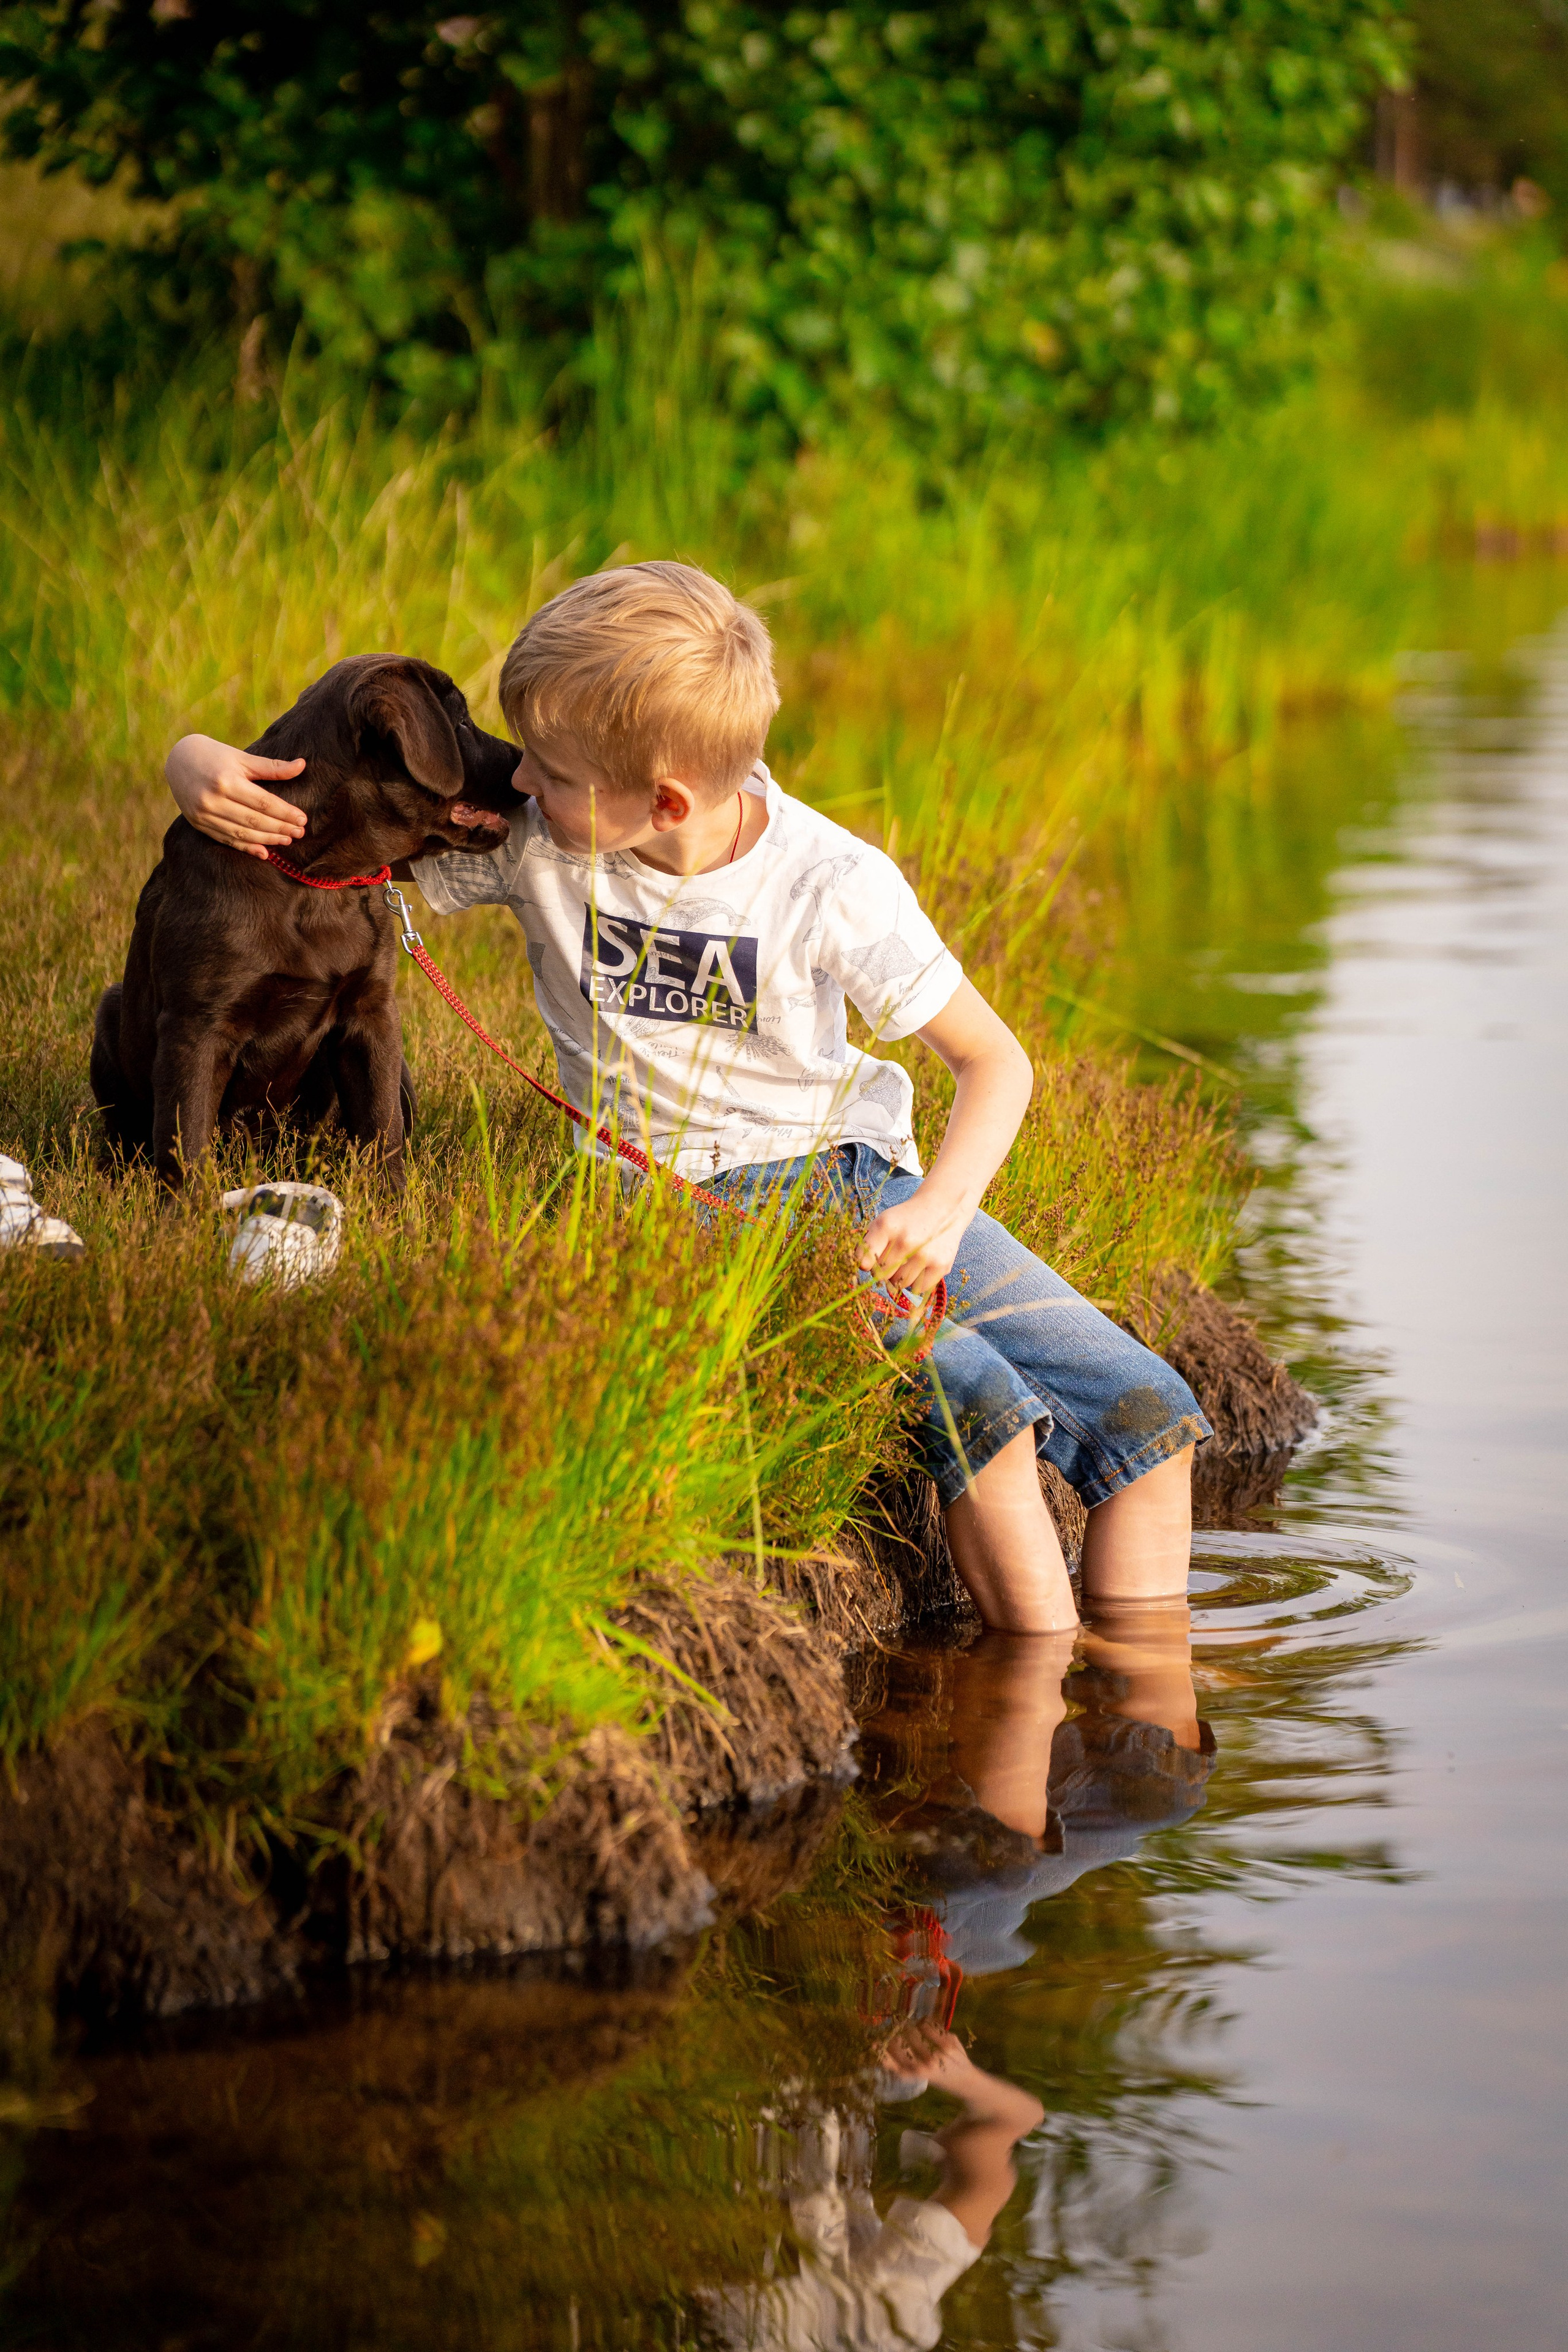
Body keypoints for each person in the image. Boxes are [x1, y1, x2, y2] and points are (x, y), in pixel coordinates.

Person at [163, 561, 1209, 1632]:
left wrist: (941, 1210)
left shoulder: (830, 880)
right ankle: (1041, 1694)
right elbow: (322, 846)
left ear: (664, 801)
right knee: (980, 1405)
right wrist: (193, 761)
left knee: (1152, 1418)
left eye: (549, 770)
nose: (517, 779)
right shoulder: (538, 842)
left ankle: (1141, 1696)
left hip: (863, 1182)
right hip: (677, 1203)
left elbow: (997, 1063)